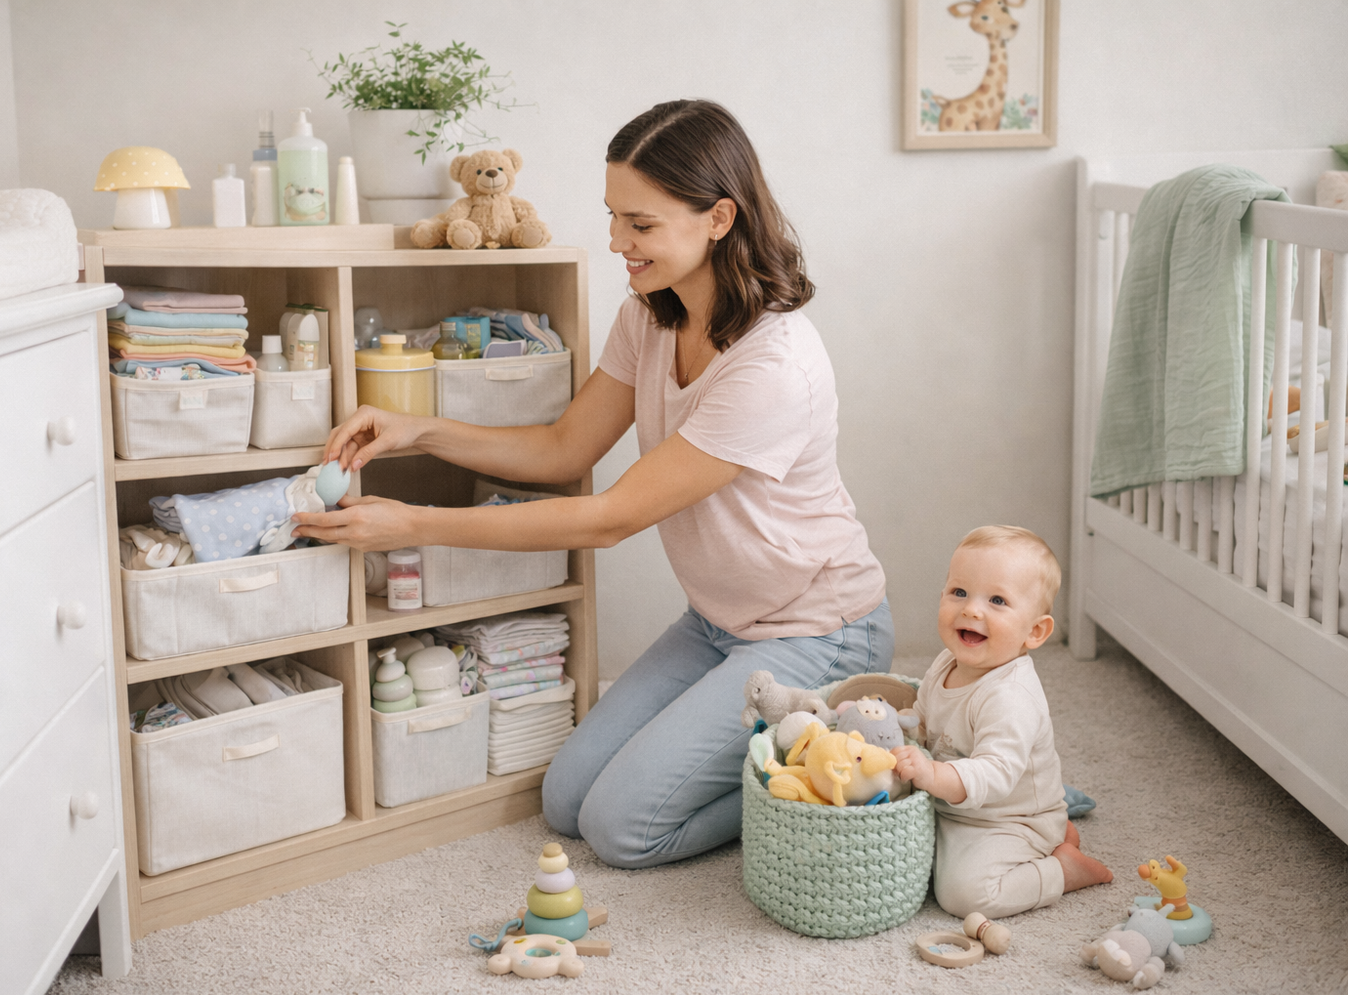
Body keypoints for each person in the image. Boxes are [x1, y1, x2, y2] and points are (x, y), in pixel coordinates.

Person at [291, 99, 891, 869]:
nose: (616, 242)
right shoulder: (649, 318)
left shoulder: (772, 366)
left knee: (622, 828)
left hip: (815, 632)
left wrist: (413, 523)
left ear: (719, 218)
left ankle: (841, 762)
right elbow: (562, 448)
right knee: (567, 799)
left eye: (639, 224)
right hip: (716, 624)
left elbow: (608, 518)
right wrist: (419, 429)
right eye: (613, 217)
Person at [891, 526, 1113, 919]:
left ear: (1035, 631)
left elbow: (995, 773)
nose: (971, 610)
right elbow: (924, 717)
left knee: (963, 894)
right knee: (893, 852)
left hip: (1006, 820)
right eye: (959, 592)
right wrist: (895, 729)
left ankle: (1061, 868)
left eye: (997, 600)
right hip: (951, 805)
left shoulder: (1010, 696)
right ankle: (1060, 834)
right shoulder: (946, 662)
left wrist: (931, 773)